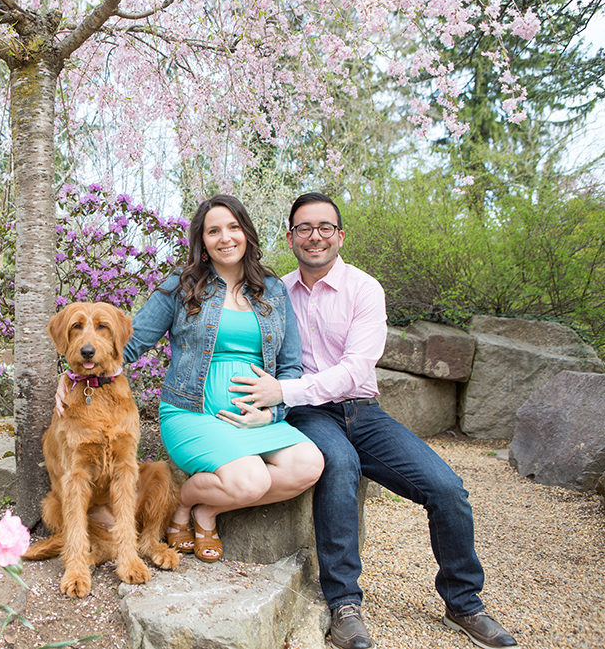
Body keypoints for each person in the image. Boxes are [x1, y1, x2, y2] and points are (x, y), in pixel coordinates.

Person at [228, 192, 517, 649]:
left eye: (325, 227)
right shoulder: (277, 293)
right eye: (304, 228)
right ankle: (344, 605)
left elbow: (356, 371)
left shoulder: (365, 289)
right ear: (290, 237)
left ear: (339, 236)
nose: (314, 236)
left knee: (447, 489)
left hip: (363, 411)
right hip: (308, 414)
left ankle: (464, 604)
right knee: (340, 465)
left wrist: (284, 390)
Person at [122, 193, 324, 562]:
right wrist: (76, 375)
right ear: (202, 241)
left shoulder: (273, 290)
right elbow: (129, 344)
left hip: (258, 421)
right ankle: (184, 501)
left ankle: (200, 508)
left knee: (309, 465)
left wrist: (273, 412)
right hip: (193, 414)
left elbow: (291, 366)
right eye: (213, 231)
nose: (225, 238)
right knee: (253, 479)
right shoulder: (181, 287)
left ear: (246, 233)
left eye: (233, 227)